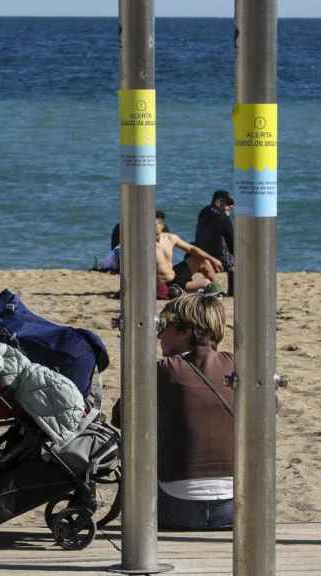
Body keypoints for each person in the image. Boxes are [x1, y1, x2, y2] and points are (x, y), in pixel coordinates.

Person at [111, 293, 235, 529]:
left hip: (177, 507)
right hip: (236, 508)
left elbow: (120, 418)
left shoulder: (163, 370)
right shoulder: (241, 365)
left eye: (164, 325)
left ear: (185, 331)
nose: (158, 335)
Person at [156, 211, 224, 294]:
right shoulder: (144, 244)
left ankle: (217, 289)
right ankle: (196, 289)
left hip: (174, 274)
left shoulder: (170, 238)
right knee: (206, 283)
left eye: (156, 224)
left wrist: (213, 259)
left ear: (162, 225)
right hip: (165, 284)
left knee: (203, 261)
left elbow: (191, 249)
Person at [194, 190, 235, 295]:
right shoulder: (223, 218)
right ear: (218, 202)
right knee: (237, 259)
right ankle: (233, 291)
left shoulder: (203, 211)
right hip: (218, 258)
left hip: (201, 251)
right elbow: (231, 241)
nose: (230, 206)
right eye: (227, 204)